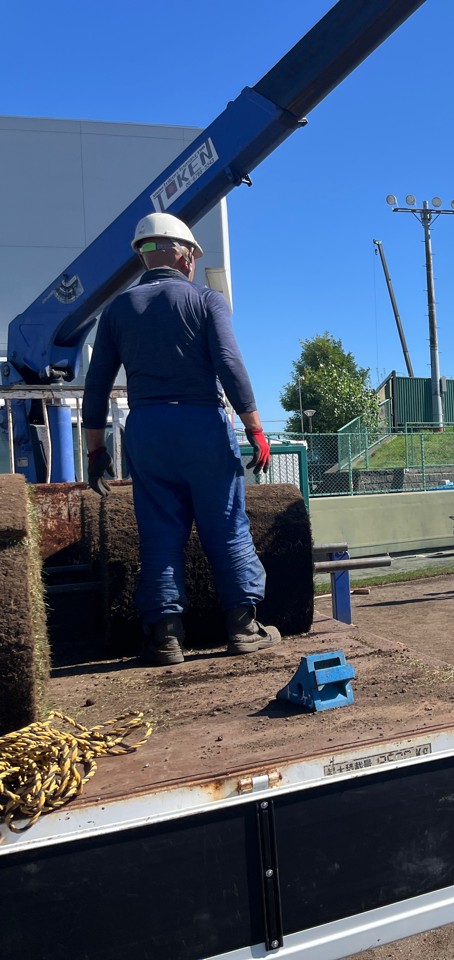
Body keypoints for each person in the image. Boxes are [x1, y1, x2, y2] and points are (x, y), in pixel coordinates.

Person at [82, 212, 279, 667]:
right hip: (202, 426)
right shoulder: (207, 300)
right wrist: (255, 429)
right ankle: (244, 628)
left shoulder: (117, 309)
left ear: (144, 256)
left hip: (147, 430)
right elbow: (230, 364)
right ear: (183, 255)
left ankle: (166, 638)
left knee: (159, 533)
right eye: (191, 254)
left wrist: (96, 449)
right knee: (226, 525)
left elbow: (96, 385)